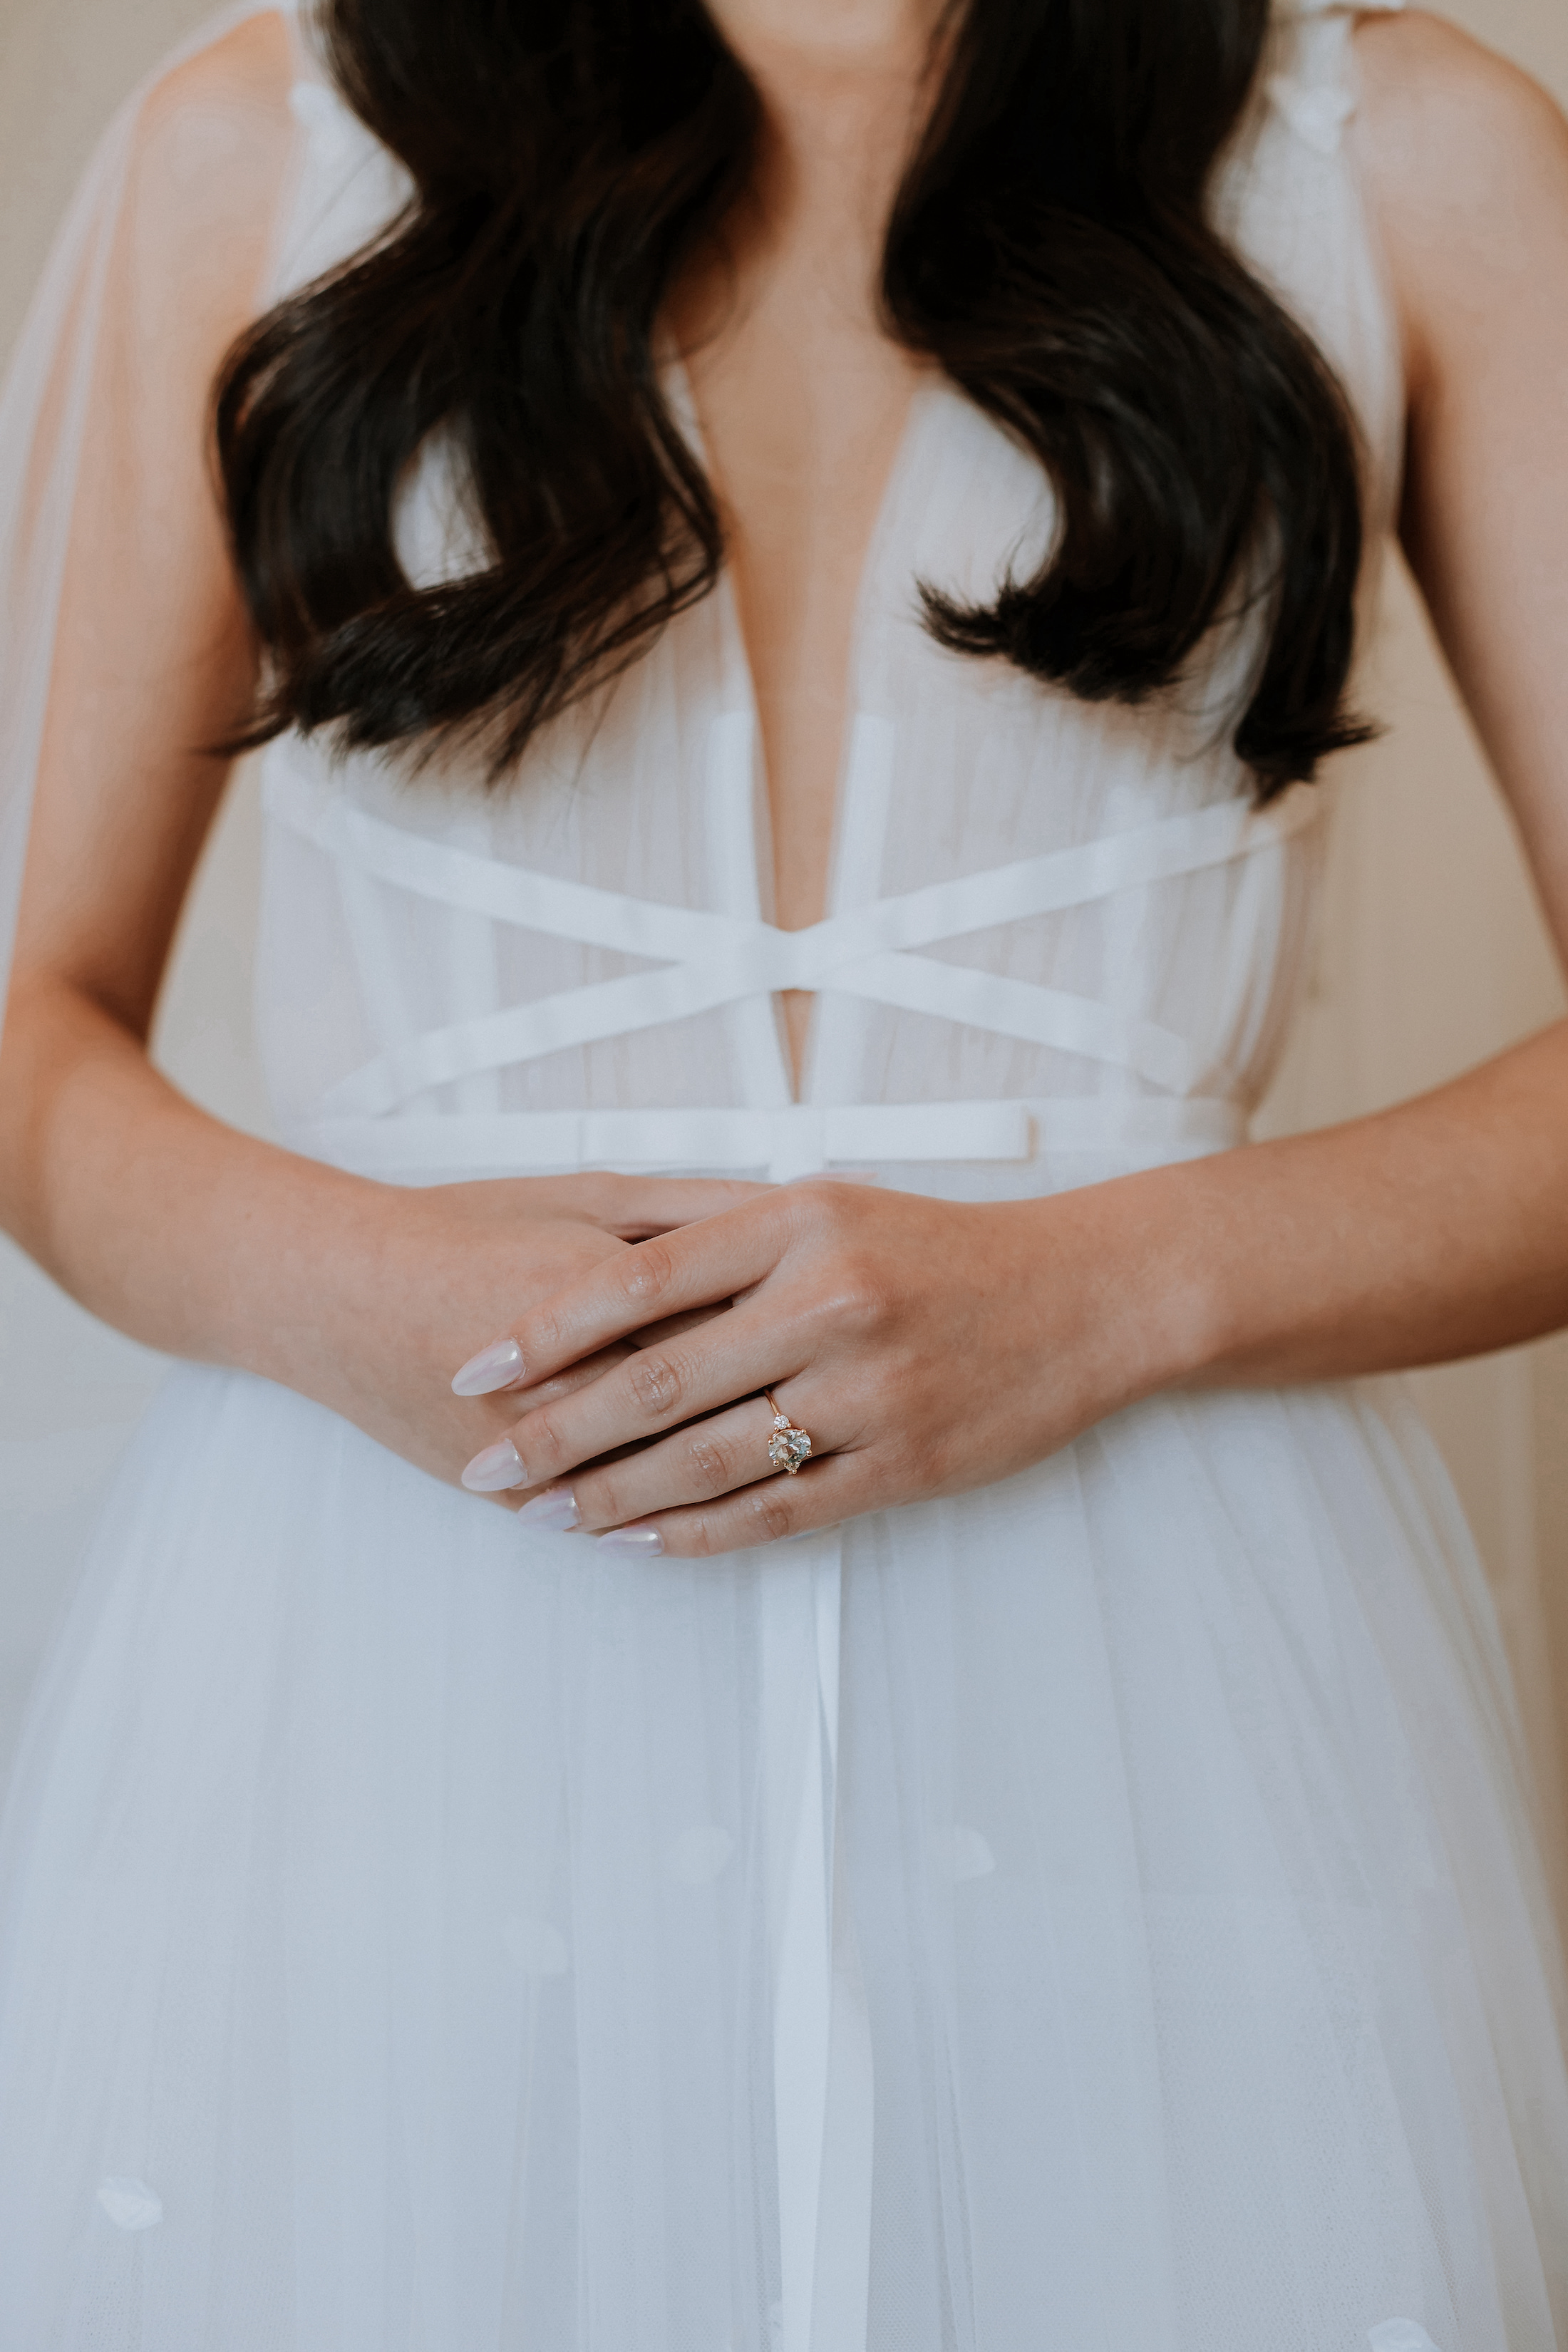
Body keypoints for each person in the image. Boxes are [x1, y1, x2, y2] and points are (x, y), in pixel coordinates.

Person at [0, 0, 1567, 2341]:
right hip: (398, 1633)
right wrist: (342, 1287)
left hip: (1153, 1673)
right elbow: (31, 1032)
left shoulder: (1401, 146)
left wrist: (1112, 1291)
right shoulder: (265, 145)